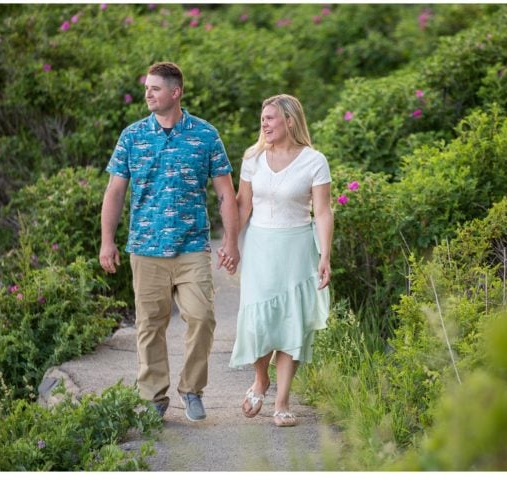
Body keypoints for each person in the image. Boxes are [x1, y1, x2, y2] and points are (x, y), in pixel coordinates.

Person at [100, 61, 240, 422]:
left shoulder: (205, 135)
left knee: (203, 317)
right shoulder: (132, 136)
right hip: (145, 248)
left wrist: (232, 242)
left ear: (175, 93)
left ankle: (191, 389)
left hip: (193, 246)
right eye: (147, 88)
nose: (148, 94)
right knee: (150, 325)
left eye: (155, 88)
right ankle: (154, 397)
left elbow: (225, 192)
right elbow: (115, 192)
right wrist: (107, 241)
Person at [229, 94, 333, 428]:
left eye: (271, 118)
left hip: (298, 248)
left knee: (292, 323)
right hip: (260, 246)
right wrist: (231, 244)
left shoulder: (314, 161)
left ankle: (283, 401)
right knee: (259, 322)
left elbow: (323, 211)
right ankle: (261, 379)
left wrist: (326, 255)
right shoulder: (252, 158)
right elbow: (243, 205)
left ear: (290, 121)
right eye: (263, 118)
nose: (264, 124)